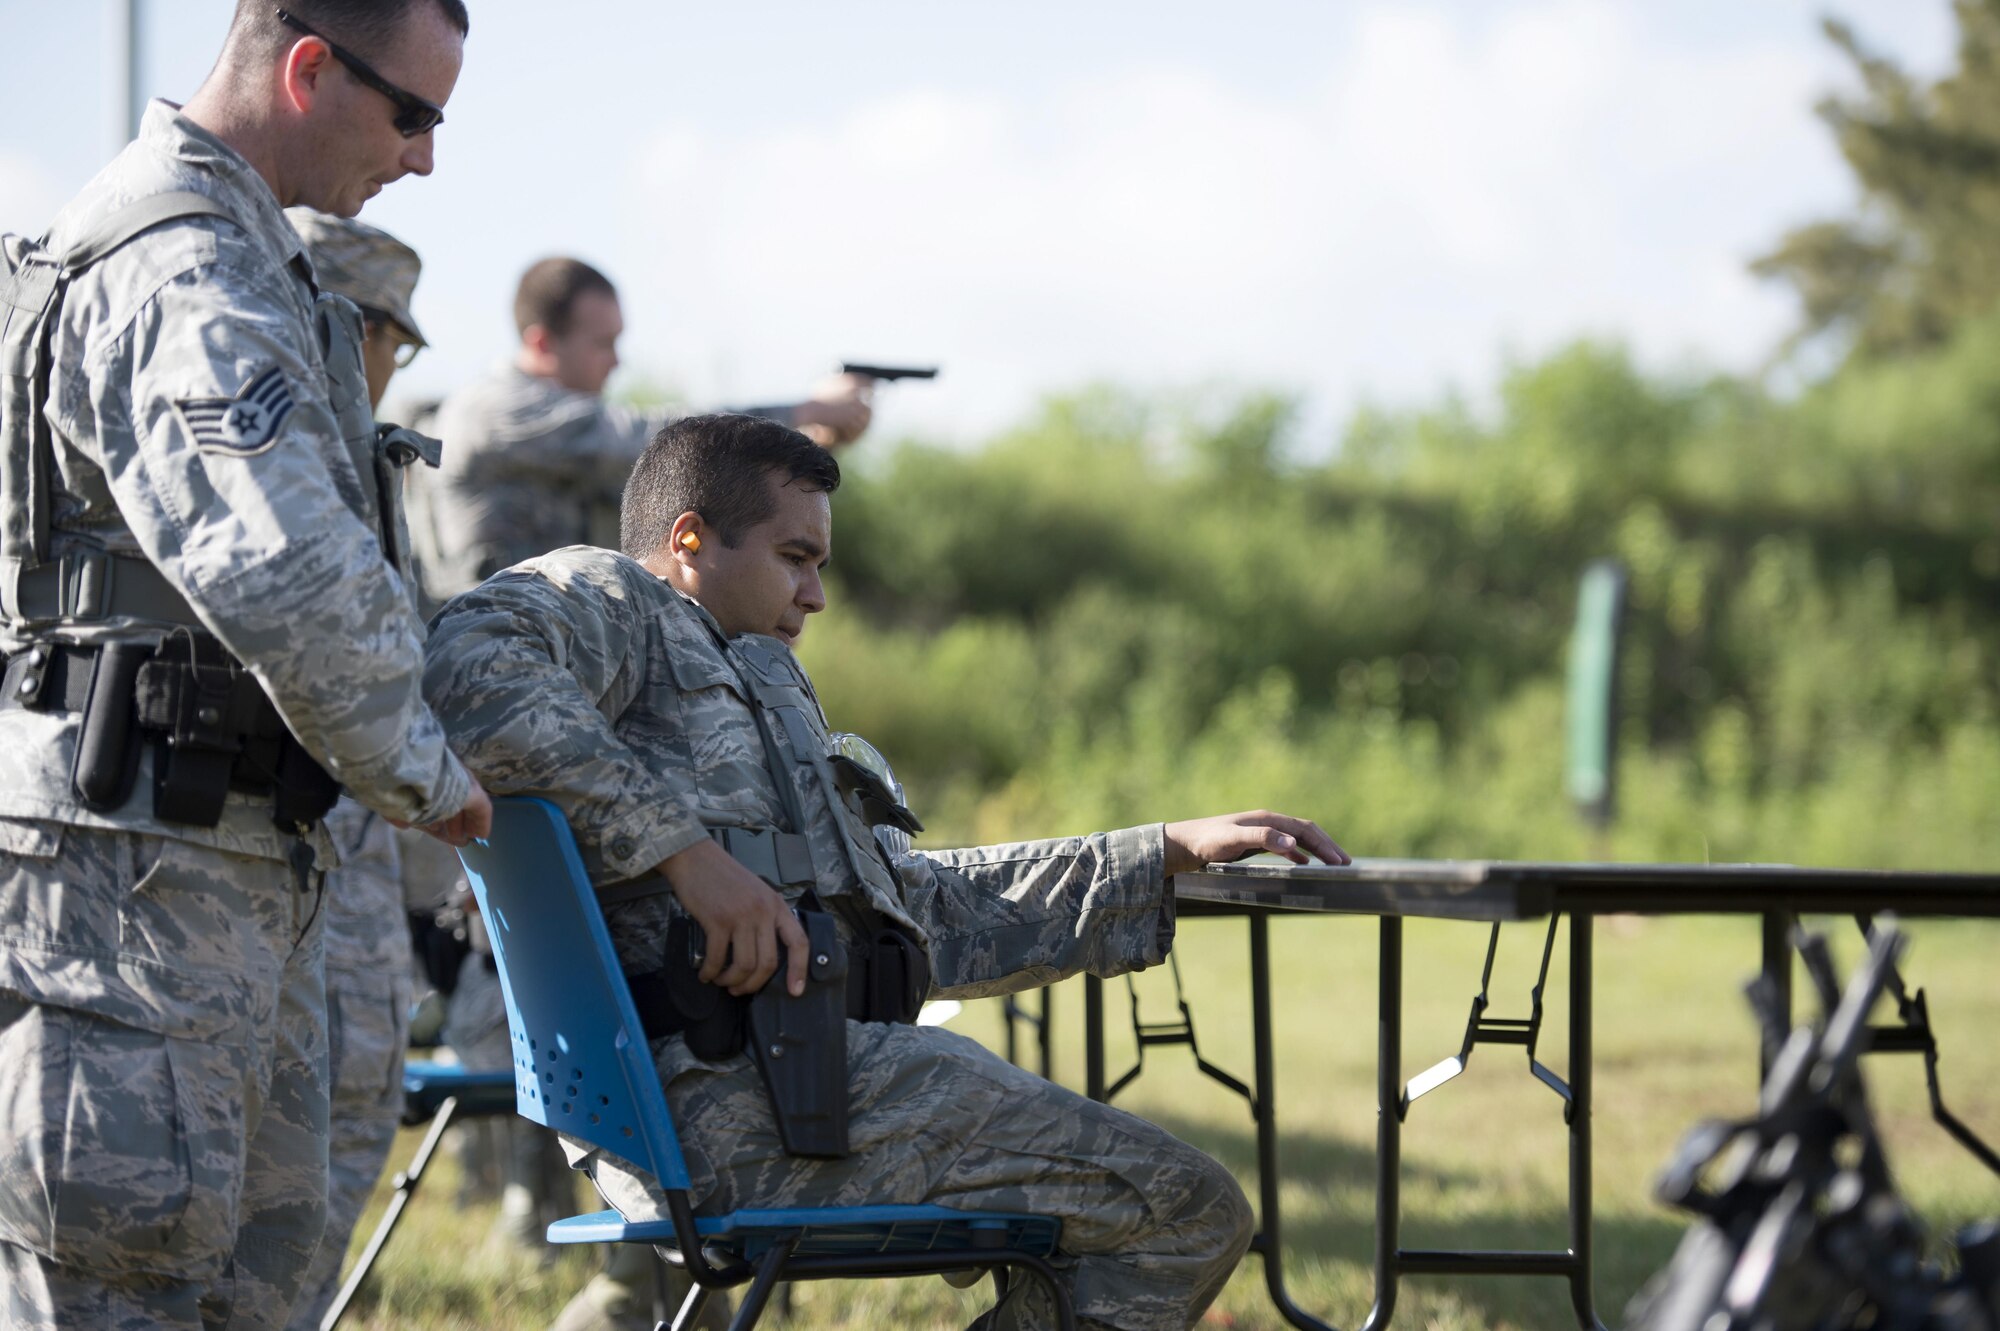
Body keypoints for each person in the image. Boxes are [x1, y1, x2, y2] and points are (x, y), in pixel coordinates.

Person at [421, 414, 1349, 1331]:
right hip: (734, 1104)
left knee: (1180, 1207)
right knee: (1184, 1211)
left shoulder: (754, 682)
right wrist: (686, 856)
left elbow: (914, 912)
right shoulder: (616, 599)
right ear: (690, 540)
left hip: (803, 1081)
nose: (816, 594)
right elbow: (464, 664)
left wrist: (1159, 852)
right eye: (795, 557)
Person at [0, 4, 491, 1329]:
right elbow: (285, 566)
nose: (426, 159)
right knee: (124, 1283)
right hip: (136, 869)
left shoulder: (246, 255)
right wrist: (429, 768)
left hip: (224, 855)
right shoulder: (183, 268)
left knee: (249, 1289)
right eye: (414, 115)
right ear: (309, 66)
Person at [279, 206, 438, 1331]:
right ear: (350, 325)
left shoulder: (355, 461)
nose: (392, 363)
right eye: (394, 335)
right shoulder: (296, 461)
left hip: (353, 882)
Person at [410, 256, 874, 603]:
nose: (617, 361)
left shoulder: (553, 432)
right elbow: (667, 444)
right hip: (496, 656)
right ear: (542, 343)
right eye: (602, 343)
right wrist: (804, 409)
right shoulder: (497, 410)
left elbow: (678, 489)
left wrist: (804, 439)